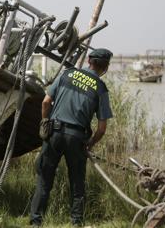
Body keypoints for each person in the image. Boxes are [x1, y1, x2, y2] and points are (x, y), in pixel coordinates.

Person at [30, 48, 114, 227]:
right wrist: (90, 144)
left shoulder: (66, 74)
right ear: (105, 67)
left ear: (89, 60)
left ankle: (36, 221)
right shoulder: (100, 88)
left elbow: (46, 102)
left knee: (45, 179)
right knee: (77, 183)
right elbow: (101, 128)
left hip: (54, 133)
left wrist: (45, 123)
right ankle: (76, 223)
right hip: (77, 138)